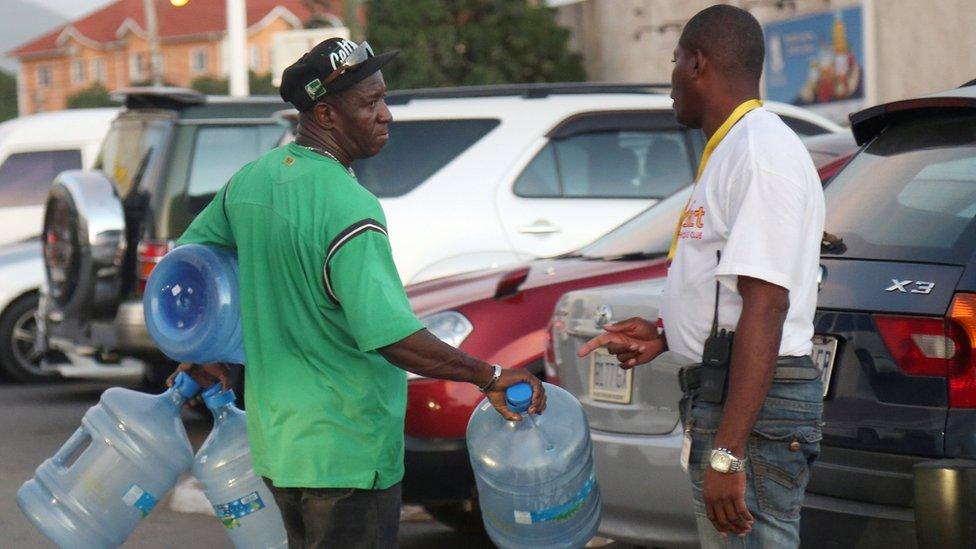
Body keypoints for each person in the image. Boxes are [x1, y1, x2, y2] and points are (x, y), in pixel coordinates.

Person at [170, 38, 545, 548]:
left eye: (383, 99)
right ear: (324, 113)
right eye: (369, 104)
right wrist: (489, 374)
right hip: (347, 451)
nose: (386, 115)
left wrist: (203, 350)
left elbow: (188, 269)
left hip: (280, 447)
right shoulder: (349, 206)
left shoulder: (251, 182)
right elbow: (391, 336)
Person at [578, 5, 825, 548]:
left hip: (754, 412)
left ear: (696, 63)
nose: (669, 80)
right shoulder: (734, 149)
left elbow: (767, 306)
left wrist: (729, 449)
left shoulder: (761, 153)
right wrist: (668, 334)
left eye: (673, 61)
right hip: (729, 397)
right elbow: (731, 293)